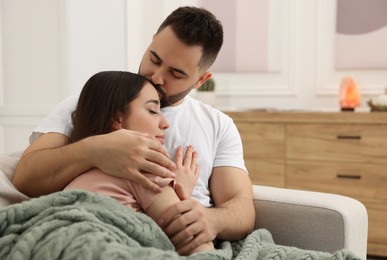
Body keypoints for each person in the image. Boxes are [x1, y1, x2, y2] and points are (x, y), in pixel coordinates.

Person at [13, 6, 255, 255]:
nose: (157, 77)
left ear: (200, 80)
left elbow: (242, 207)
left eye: (176, 73)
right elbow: (24, 176)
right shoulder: (95, 103)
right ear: (151, 42)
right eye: (155, 59)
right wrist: (96, 149)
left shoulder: (218, 125)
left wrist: (212, 220)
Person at [63, 71, 213, 254]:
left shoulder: (72, 169)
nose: (165, 123)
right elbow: (195, 242)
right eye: (153, 111)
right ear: (117, 119)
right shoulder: (142, 166)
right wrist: (182, 195)